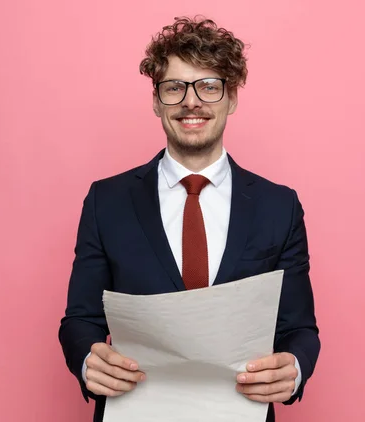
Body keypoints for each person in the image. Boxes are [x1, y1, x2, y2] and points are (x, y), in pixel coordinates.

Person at [58, 16, 320, 422]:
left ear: (231, 98)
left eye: (209, 86)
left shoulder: (278, 206)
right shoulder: (105, 201)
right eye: (175, 87)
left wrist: (295, 366)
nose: (191, 101)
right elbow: (80, 320)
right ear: (156, 100)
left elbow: (299, 327)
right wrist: (87, 361)